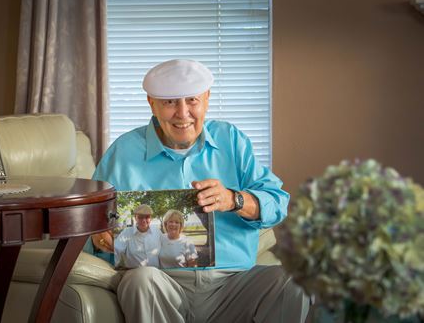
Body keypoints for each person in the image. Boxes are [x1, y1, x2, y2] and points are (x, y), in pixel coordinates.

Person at [91, 59, 309, 323]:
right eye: (170, 102)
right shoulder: (123, 152)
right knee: (140, 280)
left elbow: (278, 203)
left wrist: (235, 199)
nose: (182, 113)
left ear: (206, 98)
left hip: (234, 283)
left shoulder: (232, 140)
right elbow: (89, 224)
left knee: (294, 281)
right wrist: (97, 237)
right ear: (152, 103)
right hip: (160, 282)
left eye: (192, 100)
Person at [114, 204, 162, 269]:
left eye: (147, 217)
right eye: (140, 217)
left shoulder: (157, 231)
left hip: (156, 272)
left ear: (151, 218)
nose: (144, 220)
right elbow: (117, 250)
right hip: (135, 274)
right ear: (135, 217)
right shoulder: (127, 232)